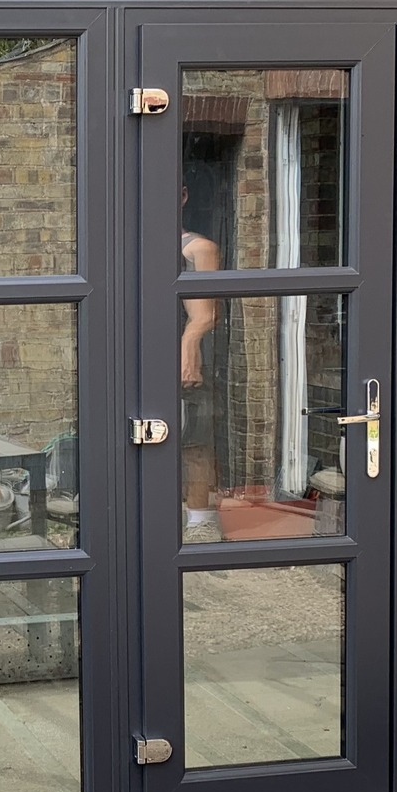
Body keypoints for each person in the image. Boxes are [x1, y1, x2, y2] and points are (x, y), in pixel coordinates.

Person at [180, 199, 222, 544]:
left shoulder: (197, 249)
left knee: (193, 438)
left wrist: (188, 347)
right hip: (137, 354)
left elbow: (205, 315)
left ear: (183, 196)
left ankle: (199, 522)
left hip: (180, 359)